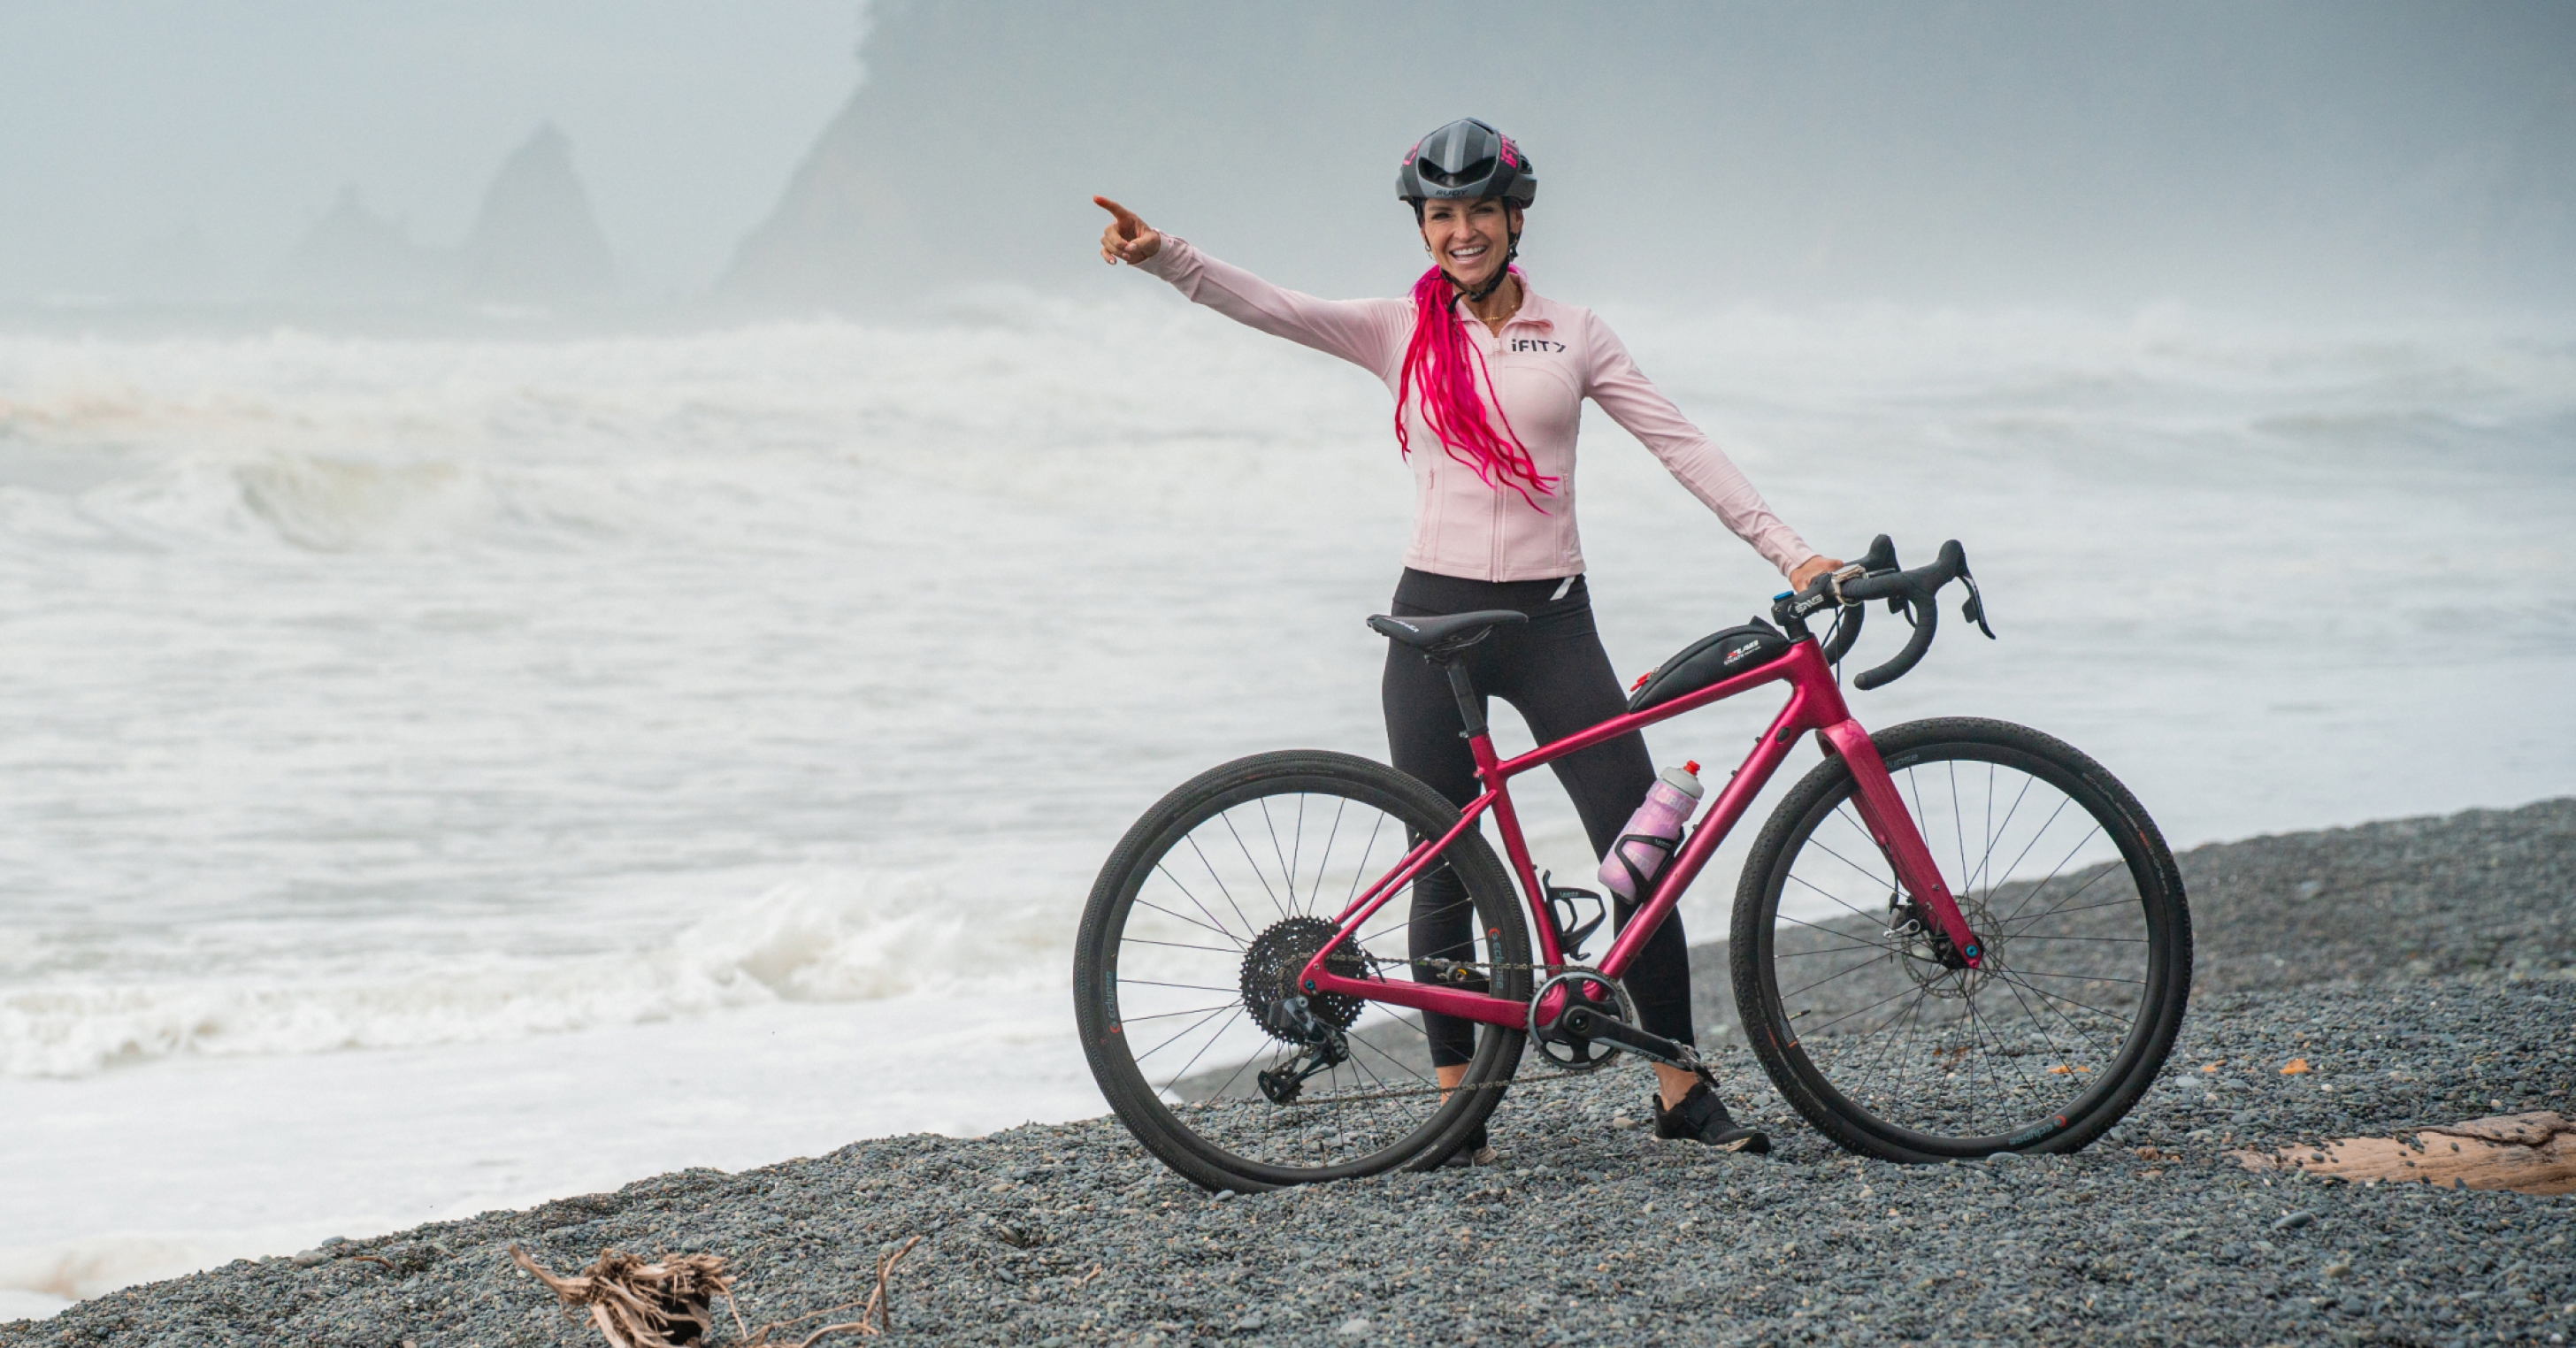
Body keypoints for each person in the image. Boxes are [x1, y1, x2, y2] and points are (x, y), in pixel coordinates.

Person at [1096, 117, 1838, 1160]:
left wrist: (1791, 554)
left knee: (1638, 849)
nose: (1458, 231)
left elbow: (1680, 444)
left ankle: (1678, 1088)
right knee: (1441, 858)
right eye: (1439, 215)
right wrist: (1163, 256)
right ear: (1424, 226)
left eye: (1476, 211)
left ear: (1513, 217)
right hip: (1433, 623)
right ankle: (1458, 1109)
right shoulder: (1397, 330)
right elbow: (1275, 308)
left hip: (1548, 624)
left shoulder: (1575, 333)